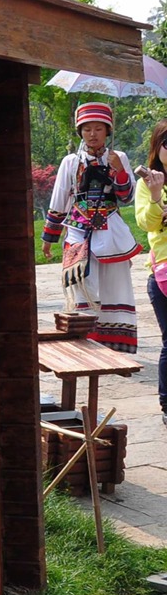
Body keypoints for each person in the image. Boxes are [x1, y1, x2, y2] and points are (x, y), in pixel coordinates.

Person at [41, 101, 141, 353]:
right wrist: (49, 237)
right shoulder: (71, 162)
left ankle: (117, 345)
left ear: (107, 131)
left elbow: (127, 197)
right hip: (78, 232)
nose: (92, 134)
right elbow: (60, 199)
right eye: (87, 129)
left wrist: (119, 171)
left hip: (111, 232)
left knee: (115, 285)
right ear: (80, 132)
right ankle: (87, 344)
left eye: (98, 129)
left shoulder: (120, 158)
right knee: (83, 286)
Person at [134, 118, 167, 424]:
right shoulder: (147, 184)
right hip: (163, 276)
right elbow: (146, 223)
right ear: (157, 149)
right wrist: (157, 196)